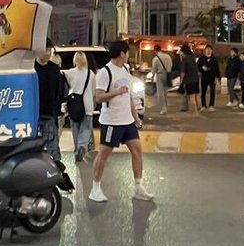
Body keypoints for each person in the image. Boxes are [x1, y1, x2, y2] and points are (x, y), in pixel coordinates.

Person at [89, 41, 154, 203]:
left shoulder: (125, 70)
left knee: (137, 151)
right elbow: (98, 97)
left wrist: (136, 116)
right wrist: (116, 92)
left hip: (127, 120)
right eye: (127, 52)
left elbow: (129, 96)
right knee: (104, 154)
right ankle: (95, 188)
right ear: (121, 54)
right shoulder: (104, 72)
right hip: (111, 121)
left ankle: (138, 187)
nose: (128, 55)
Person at [35, 40, 64, 164]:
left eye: (50, 50)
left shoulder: (54, 69)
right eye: (45, 50)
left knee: (52, 148)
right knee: (34, 147)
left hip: (50, 115)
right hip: (33, 115)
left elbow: (60, 90)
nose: (48, 53)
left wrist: (57, 109)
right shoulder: (31, 69)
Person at [64, 51, 95, 162]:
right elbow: (93, 91)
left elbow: (67, 87)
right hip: (87, 105)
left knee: (75, 129)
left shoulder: (70, 73)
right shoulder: (90, 74)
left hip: (74, 105)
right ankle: (82, 146)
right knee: (86, 129)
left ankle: (78, 150)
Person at [150, 45, 172, 115]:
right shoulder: (168, 56)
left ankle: (163, 108)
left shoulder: (155, 59)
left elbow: (154, 69)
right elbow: (171, 65)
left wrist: (152, 77)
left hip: (160, 75)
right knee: (165, 92)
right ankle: (166, 106)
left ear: (155, 50)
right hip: (168, 75)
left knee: (160, 92)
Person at [178, 44, 200, 115]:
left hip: (189, 80)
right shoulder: (193, 56)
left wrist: (181, 81)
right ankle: (199, 108)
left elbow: (183, 72)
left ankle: (196, 112)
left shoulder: (185, 59)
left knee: (192, 97)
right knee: (196, 96)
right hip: (196, 78)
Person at [197, 45, 220, 110]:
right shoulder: (201, 58)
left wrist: (218, 78)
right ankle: (203, 105)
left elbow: (217, 69)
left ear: (212, 51)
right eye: (207, 49)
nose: (208, 50)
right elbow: (197, 67)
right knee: (203, 91)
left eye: (210, 49)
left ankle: (211, 105)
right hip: (204, 77)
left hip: (212, 77)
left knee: (212, 91)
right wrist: (201, 69)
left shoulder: (214, 59)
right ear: (205, 50)